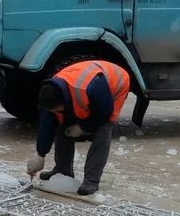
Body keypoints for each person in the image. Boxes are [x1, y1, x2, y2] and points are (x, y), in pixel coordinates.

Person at [26, 60, 130, 195]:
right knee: (64, 126)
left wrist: (82, 126)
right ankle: (63, 170)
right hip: (84, 88)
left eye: (56, 108)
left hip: (114, 86)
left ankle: (91, 180)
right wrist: (40, 155)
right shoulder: (50, 94)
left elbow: (104, 112)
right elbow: (47, 125)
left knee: (102, 131)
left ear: (63, 100)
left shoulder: (91, 88)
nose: (54, 111)